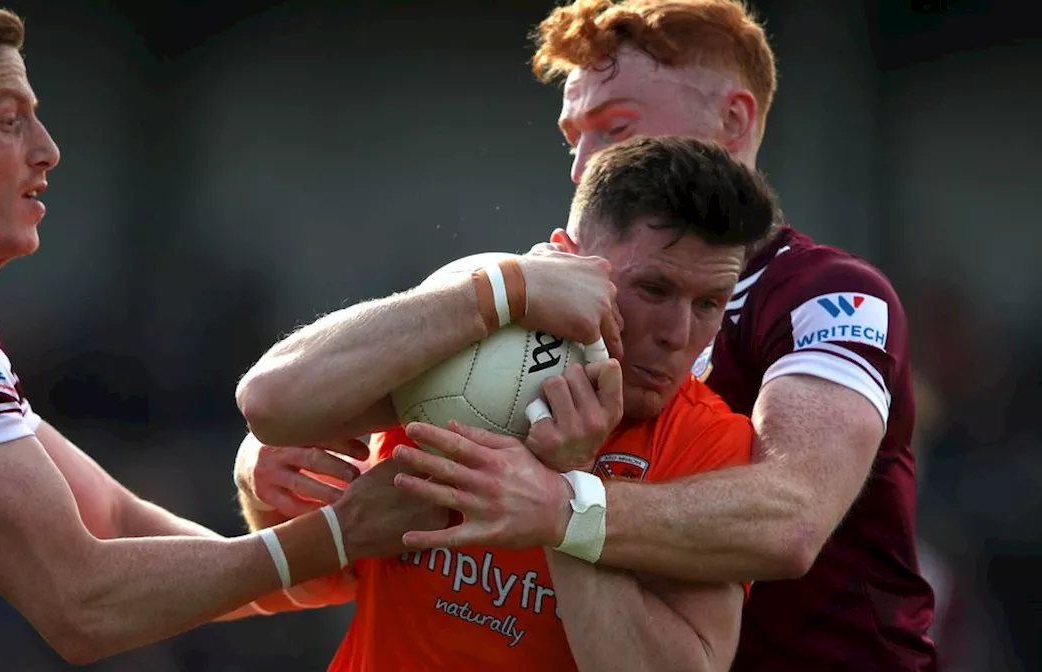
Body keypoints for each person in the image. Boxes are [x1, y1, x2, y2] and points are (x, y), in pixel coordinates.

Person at [238, 1, 938, 669]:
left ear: (732, 121)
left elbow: (789, 519)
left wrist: (564, 504)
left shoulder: (831, 298)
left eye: (615, 128)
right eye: (576, 139)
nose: (581, 166)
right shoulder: (528, 302)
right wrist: (266, 465)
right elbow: (310, 454)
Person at [0, 3, 443, 669]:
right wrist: (337, 536)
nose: (47, 150)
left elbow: (115, 523)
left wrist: (322, 541)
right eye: (9, 121)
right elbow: (82, 605)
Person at [234, 136, 780, 670]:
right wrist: (501, 288)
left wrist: (569, 494)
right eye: (653, 290)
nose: (679, 334)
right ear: (568, 262)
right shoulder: (460, 347)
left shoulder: (712, 443)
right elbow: (268, 405)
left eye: (710, 303)